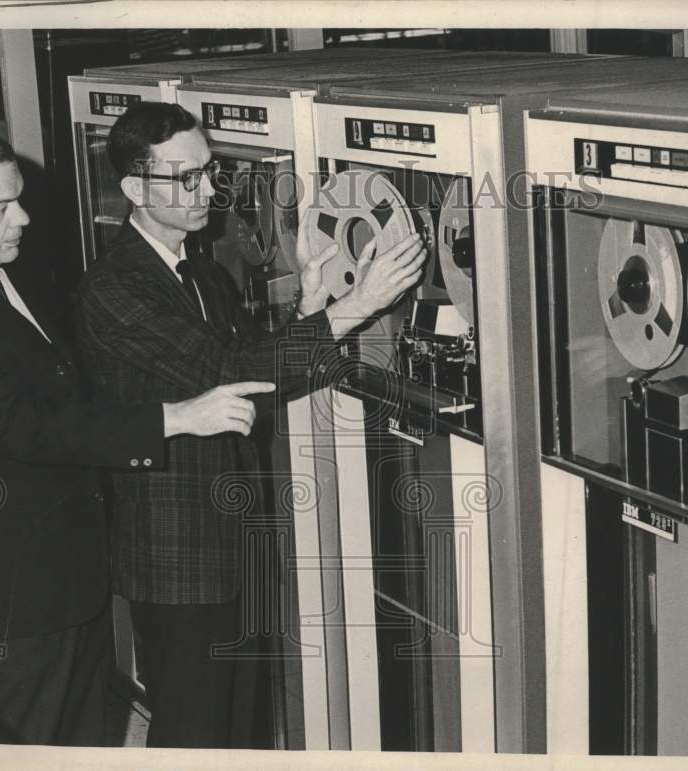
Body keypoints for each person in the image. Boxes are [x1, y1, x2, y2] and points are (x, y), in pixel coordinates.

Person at [0, 124, 275, 746]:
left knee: (84, 744)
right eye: (3, 207)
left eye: (20, 198)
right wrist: (176, 416)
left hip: (68, 577)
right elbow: (25, 426)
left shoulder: (5, 270)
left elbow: (72, 387)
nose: (25, 218)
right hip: (6, 594)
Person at [75, 101, 426, 748]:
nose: (208, 189)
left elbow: (260, 365)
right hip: (177, 558)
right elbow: (227, 369)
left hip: (235, 539)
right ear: (133, 189)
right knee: (195, 730)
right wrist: (356, 306)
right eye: (186, 178)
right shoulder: (116, 287)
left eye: (210, 171)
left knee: (244, 726)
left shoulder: (198, 268)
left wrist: (310, 305)